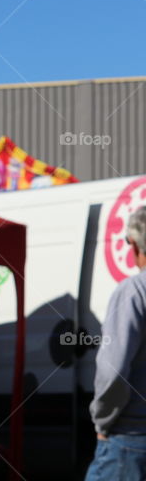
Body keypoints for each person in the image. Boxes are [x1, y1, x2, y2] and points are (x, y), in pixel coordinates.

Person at [85, 205, 146, 480]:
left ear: (134, 244)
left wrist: (103, 421)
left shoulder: (133, 291)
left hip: (131, 438)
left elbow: (113, 370)